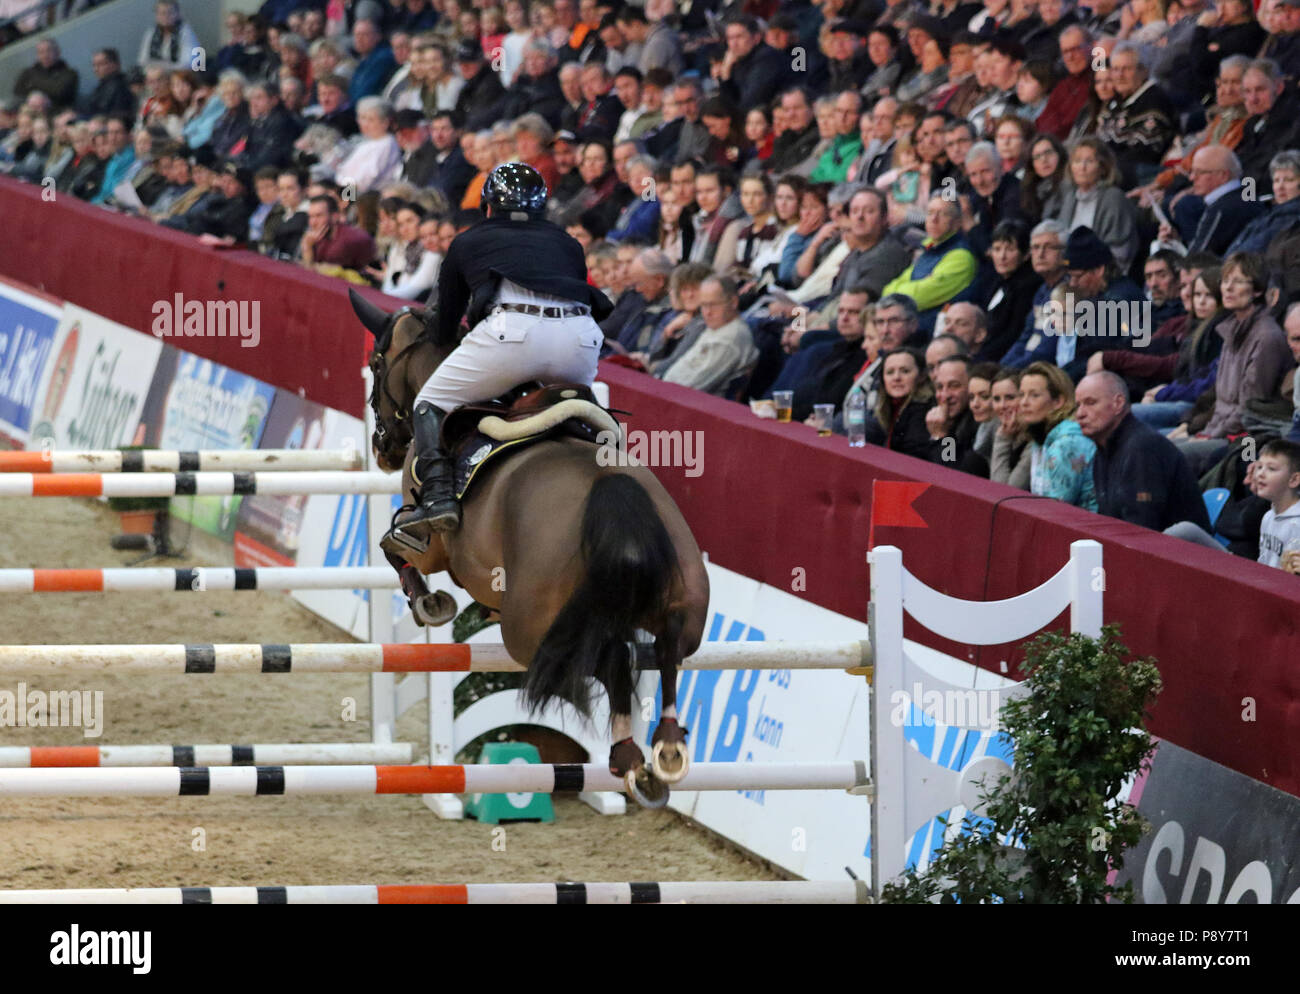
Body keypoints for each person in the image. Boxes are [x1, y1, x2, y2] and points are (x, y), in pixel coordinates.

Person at [394, 163, 613, 543]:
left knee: (429, 401)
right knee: (577, 410)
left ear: (488, 206)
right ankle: (607, 471)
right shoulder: (567, 242)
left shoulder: (467, 241)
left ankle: (439, 496)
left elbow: (444, 326)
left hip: (513, 333)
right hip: (580, 338)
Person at [1075, 370, 1212, 532]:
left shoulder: (1143, 448)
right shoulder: (1102, 450)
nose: (1080, 414)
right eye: (1078, 405)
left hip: (1182, 552)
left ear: (1118, 403)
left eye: (1090, 403)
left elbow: (1141, 530)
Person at [659, 275, 759, 395]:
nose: (707, 312)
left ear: (733, 302)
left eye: (713, 305)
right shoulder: (718, 325)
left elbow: (691, 387)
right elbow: (681, 367)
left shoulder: (731, 337)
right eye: (703, 305)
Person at [1020, 360, 1098, 510]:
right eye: (1022, 394)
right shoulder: (1041, 439)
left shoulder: (1067, 444)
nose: (1024, 402)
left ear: (1058, 401)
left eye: (1034, 395)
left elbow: (1056, 511)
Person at [863, 347, 936, 460]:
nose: (896, 378)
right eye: (890, 372)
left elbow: (912, 459)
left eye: (905, 371)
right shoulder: (892, 406)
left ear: (921, 376)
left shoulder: (923, 410)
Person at [1254, 438, 1300, 572]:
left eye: (1271, 469)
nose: (1261, 474)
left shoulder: (1297, 523)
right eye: (1259, 467)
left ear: (1294, 479)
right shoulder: (1268, 516)